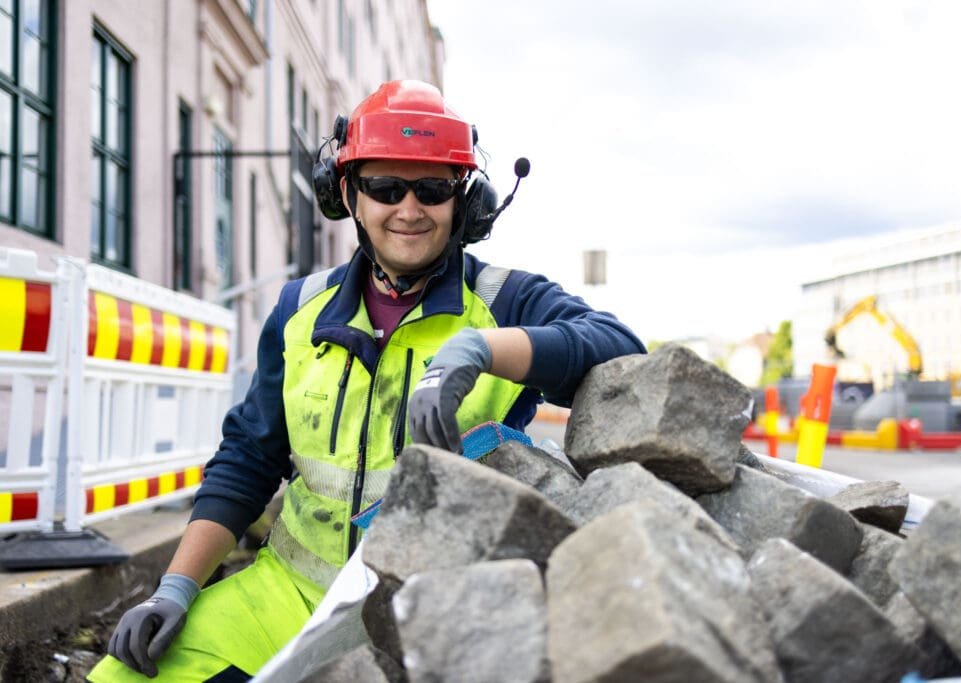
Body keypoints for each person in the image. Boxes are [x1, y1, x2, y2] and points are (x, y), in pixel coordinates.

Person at [89, 79, 644, 682]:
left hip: (431, 616)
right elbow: (249, 458)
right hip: (287, 598)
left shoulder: (505, 300)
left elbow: (620, 349)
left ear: (466, 202)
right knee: (124, 676)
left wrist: (480, 348)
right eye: (385, 187)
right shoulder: (298, 309)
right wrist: (173, 590)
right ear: (347, 193)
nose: (409, 210)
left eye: (433, 189)